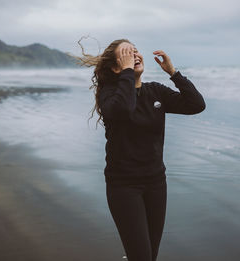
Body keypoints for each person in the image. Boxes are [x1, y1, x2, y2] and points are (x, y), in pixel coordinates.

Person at [75, 38, 205, 261]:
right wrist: (127, 72)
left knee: (149, 256)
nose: (133, 55)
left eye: (135, 51)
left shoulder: (155, 91)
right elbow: (124, 109)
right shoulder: (110, 96)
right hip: (124, 186)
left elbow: (196, 105)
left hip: (156, 183)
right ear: (116, 67)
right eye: (126, 54)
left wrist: (173, 73)